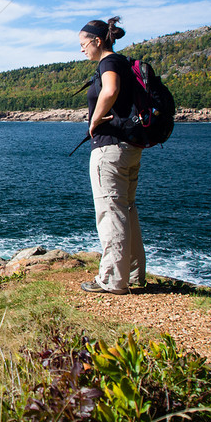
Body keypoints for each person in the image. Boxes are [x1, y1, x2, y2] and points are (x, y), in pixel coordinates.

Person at [78, 17, 146, 295]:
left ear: (97, 40)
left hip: (110, 149)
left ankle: (112, 280)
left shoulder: (108, 63)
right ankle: (134, 274)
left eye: (83, 44)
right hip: (130, 147)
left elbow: (110, 90)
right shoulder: (123, 63)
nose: (82, 50)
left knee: (111, 212)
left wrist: (94, 121)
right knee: (127, 209)